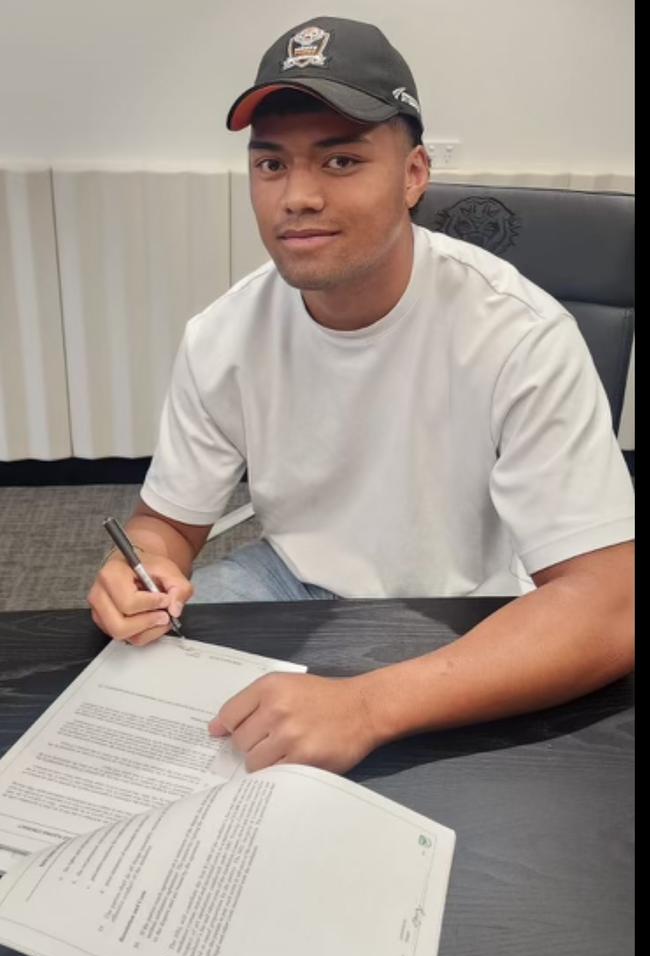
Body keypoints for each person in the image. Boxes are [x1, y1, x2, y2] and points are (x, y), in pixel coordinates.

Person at [88, 16, 634, 775]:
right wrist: (139, 571)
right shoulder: (223, 335)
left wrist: (367, 705)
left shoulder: (519, 334)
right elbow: (164, 528)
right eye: (271, 165)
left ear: (414, 175)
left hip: (467, 598)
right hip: (288, 577)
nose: (297, 197)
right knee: (129, 717)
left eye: (340, 160)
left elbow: (612, 606)